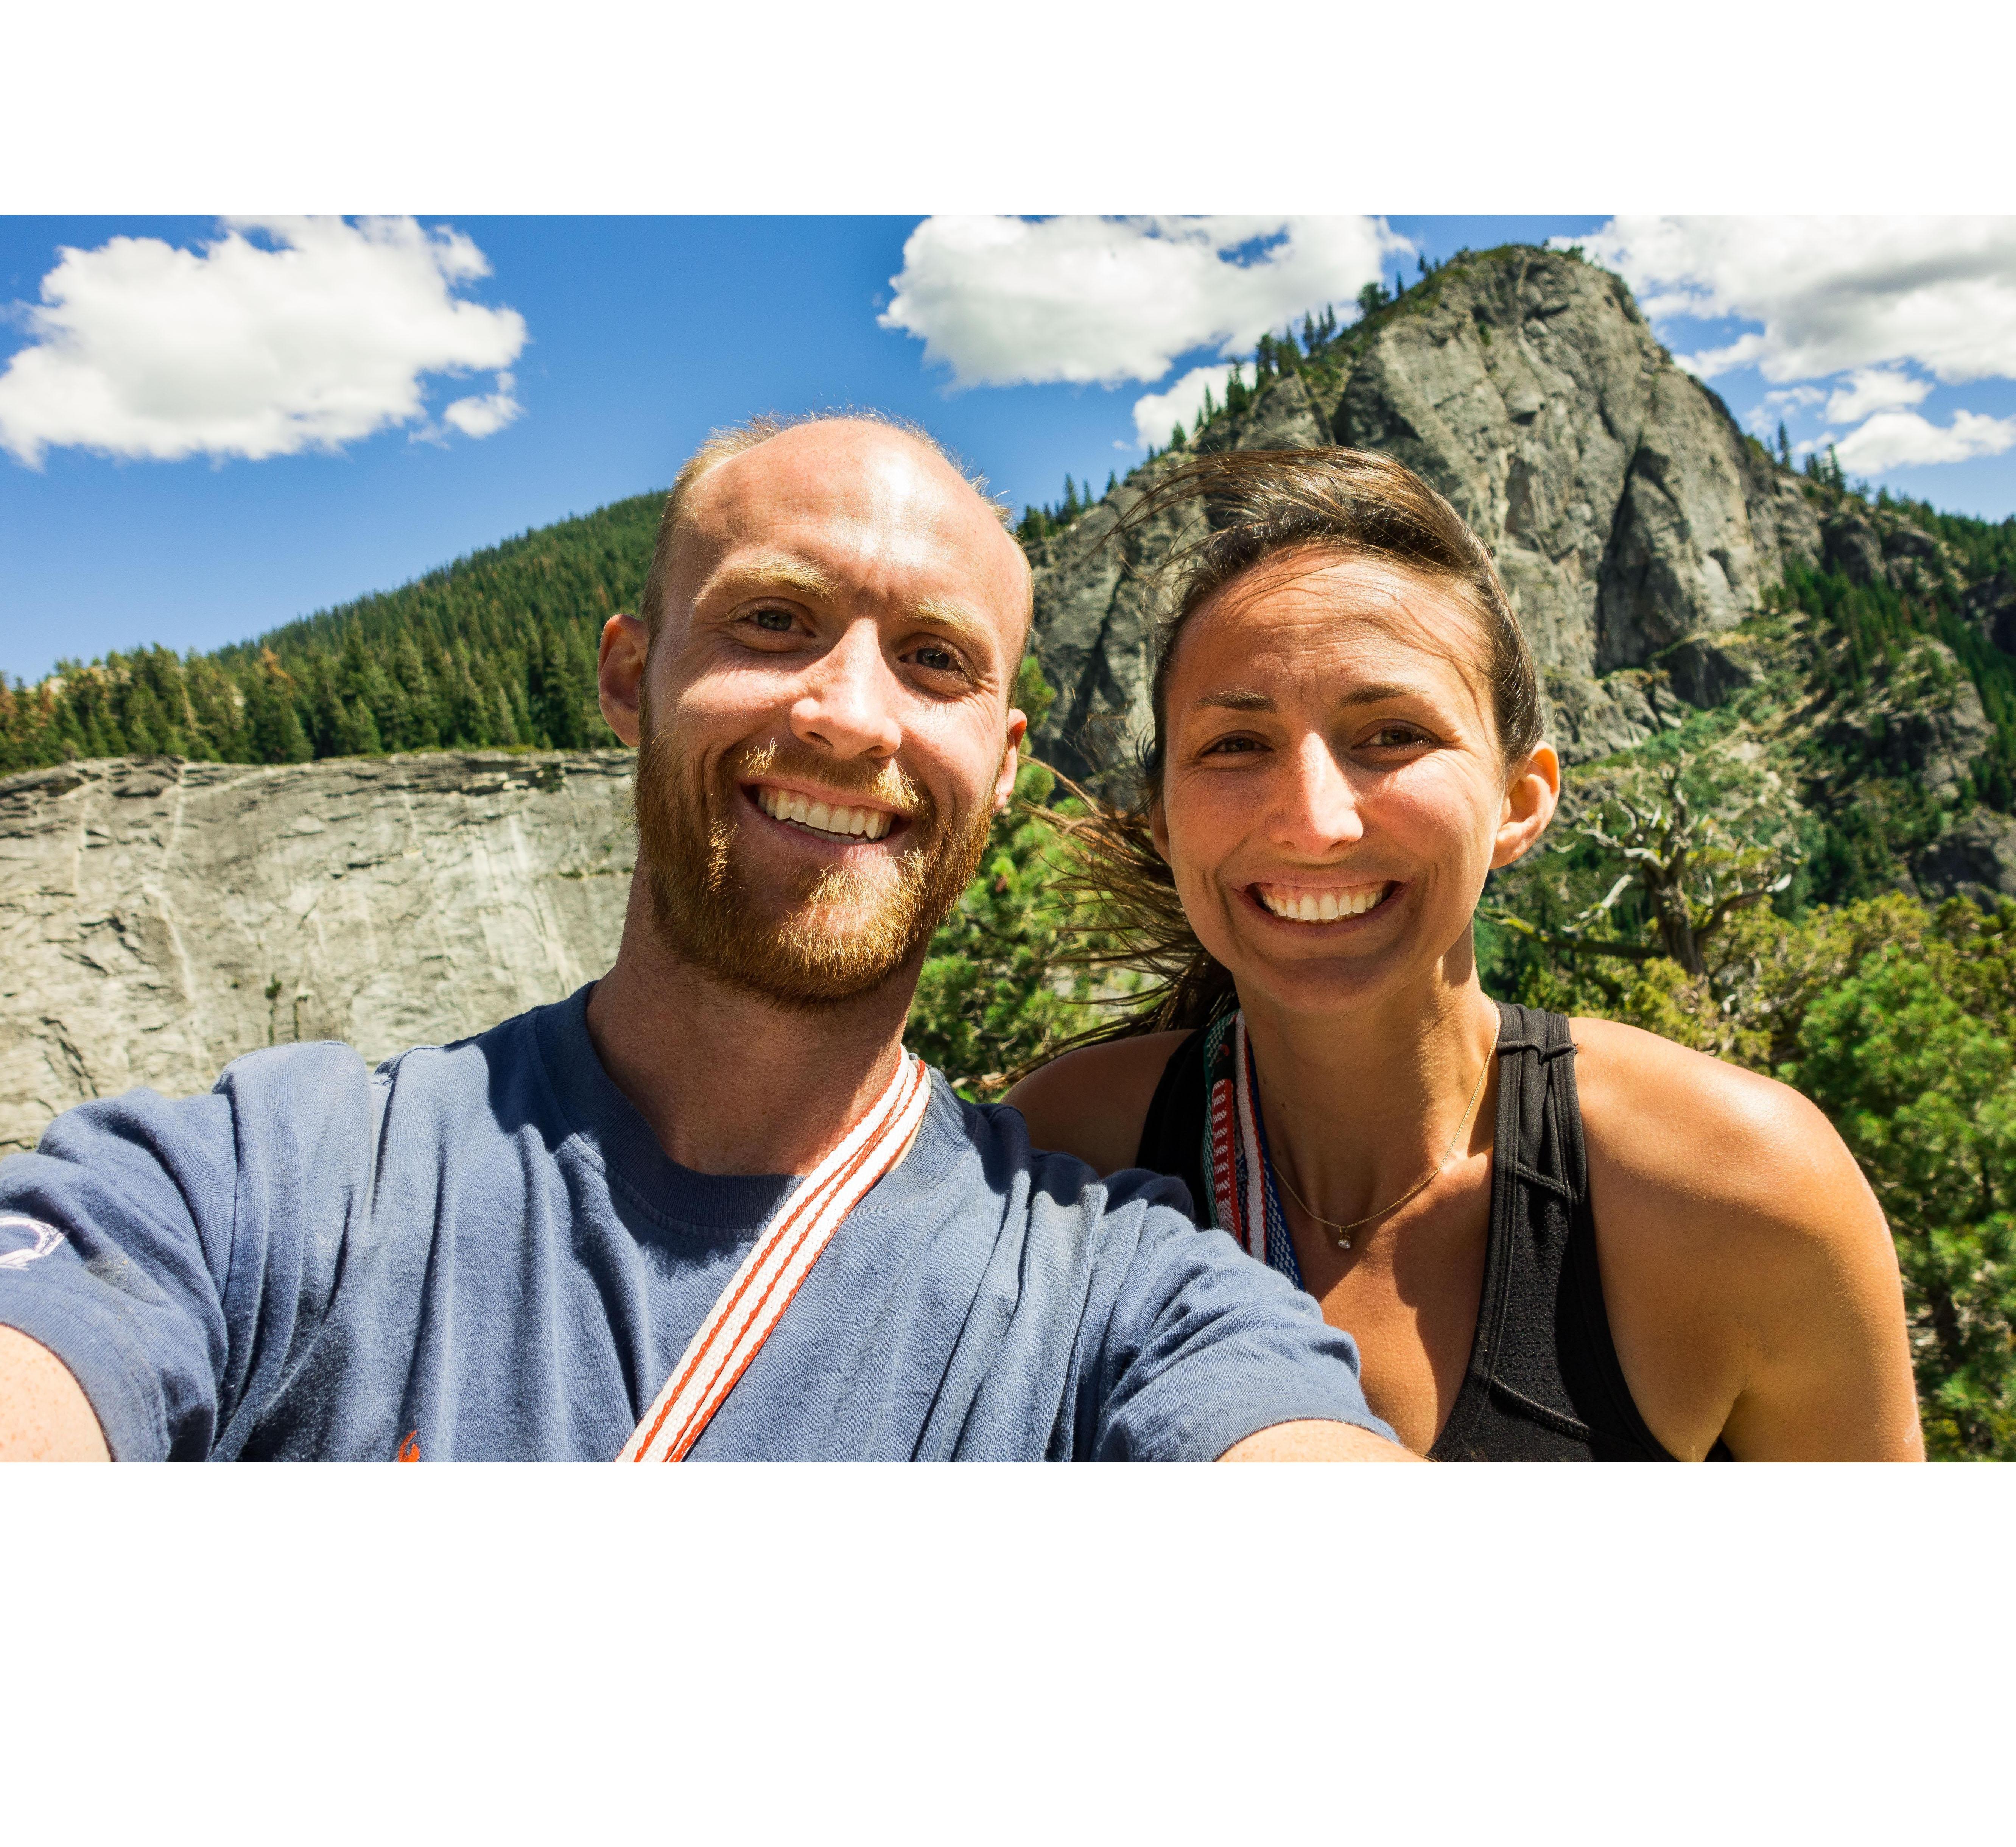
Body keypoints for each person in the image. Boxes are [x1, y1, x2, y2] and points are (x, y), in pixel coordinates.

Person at [0, 415, 1406, 1464]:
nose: (850, 718)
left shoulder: (1127, 1299)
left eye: (935, 659)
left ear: (1004, 759)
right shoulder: (267, 1186)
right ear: (631, 677)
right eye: (775, 622)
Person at [1008, 447, 1923, 1461]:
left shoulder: (1739, 1193)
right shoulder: (1063, 1164)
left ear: (1519, 802)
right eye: (1235, 745)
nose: (1315, 821)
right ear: (1164, 820)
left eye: (1392, 735)